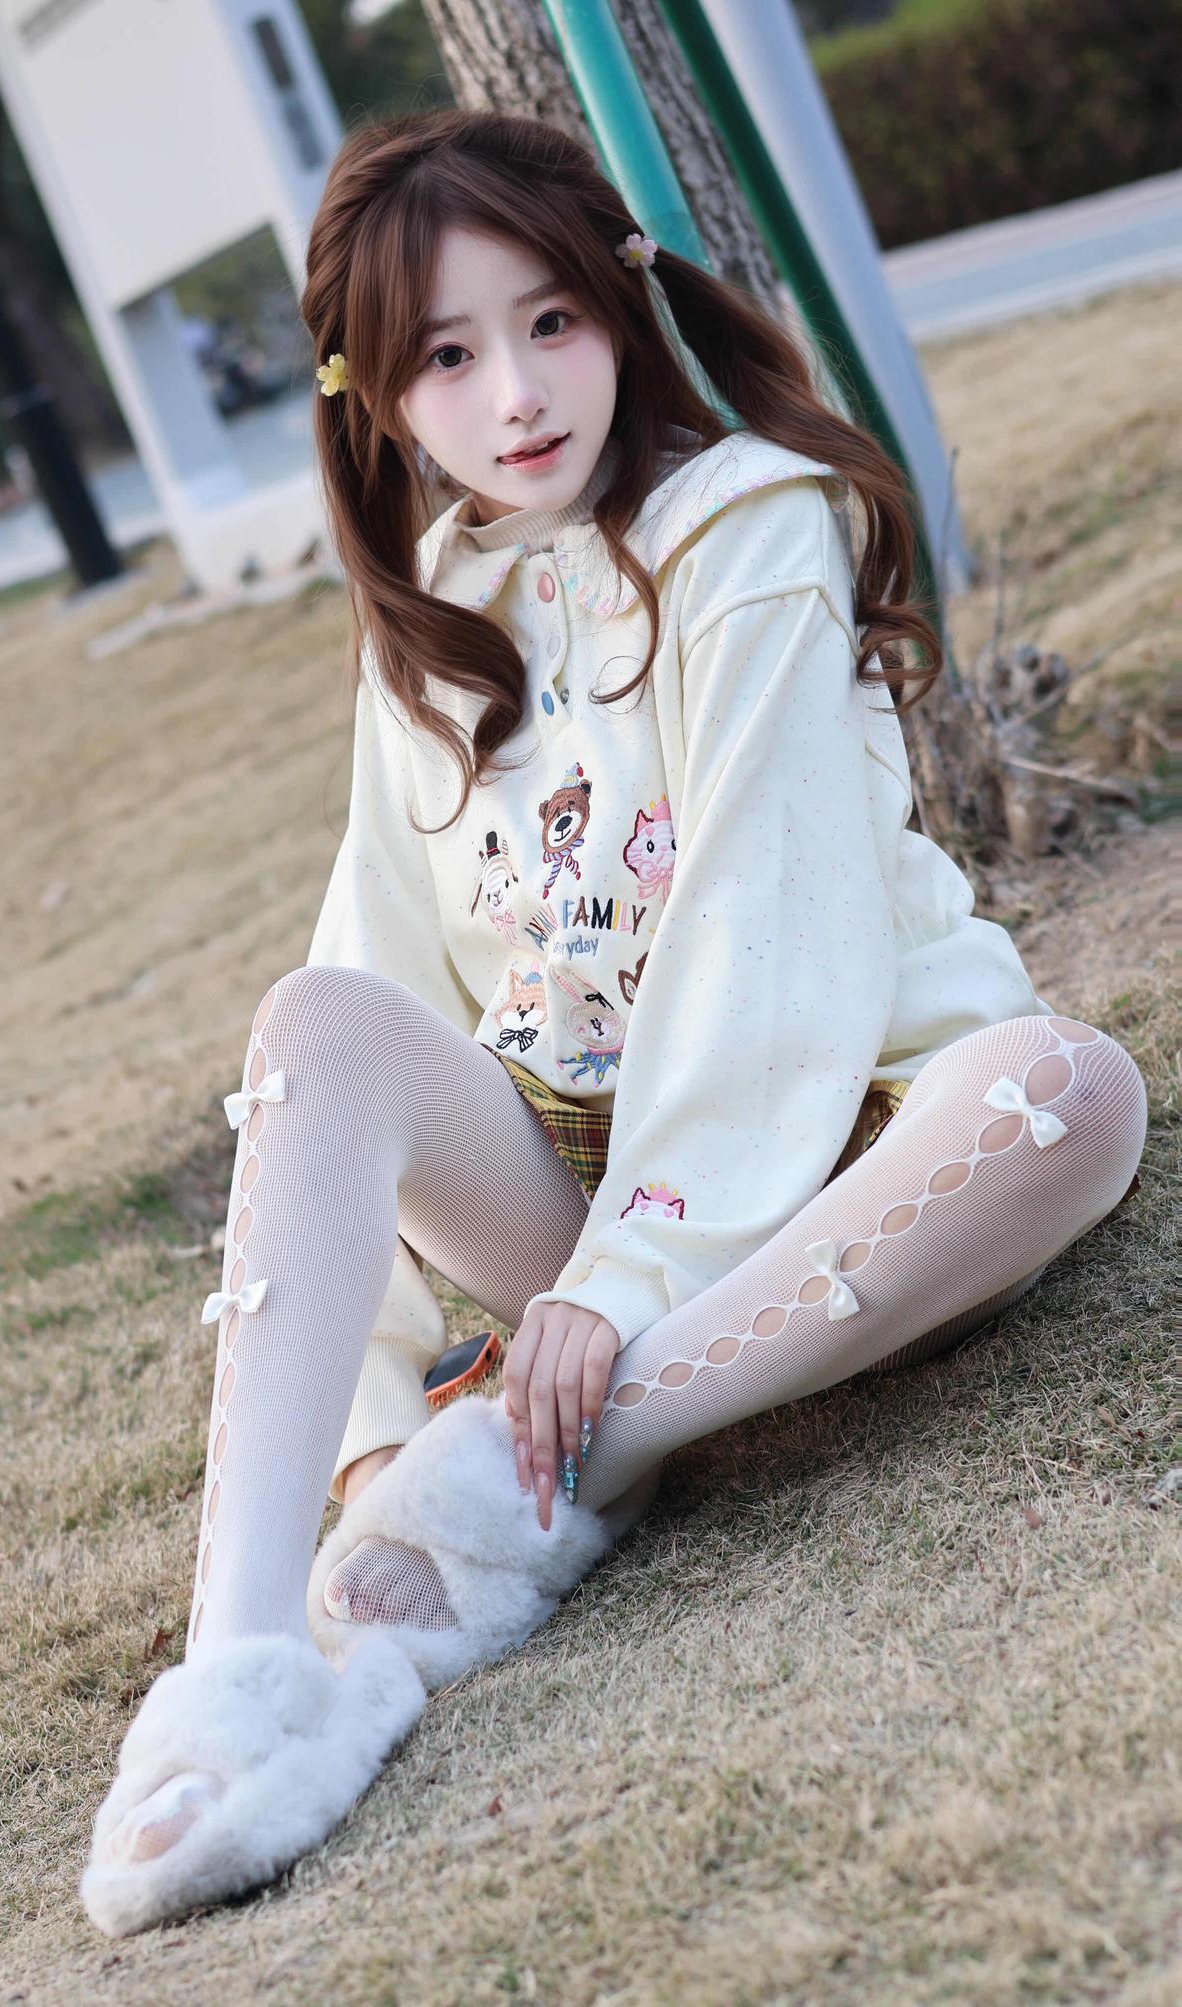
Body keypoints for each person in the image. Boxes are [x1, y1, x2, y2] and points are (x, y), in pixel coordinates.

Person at [79, 110, 1147, 1937]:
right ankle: (240, 1666)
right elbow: (383, 968)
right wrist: (371, 1424)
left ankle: (569, 1457)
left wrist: (630, 1272)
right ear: (375, 398)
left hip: (855, 1145)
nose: (514, 395)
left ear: (620, 305)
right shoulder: (441, 614)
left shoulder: (751, 524)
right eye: (446, 356)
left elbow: (767, 919)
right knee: (319, 1017)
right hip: (571, 1196)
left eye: (551, 322)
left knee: (1068, 1092)